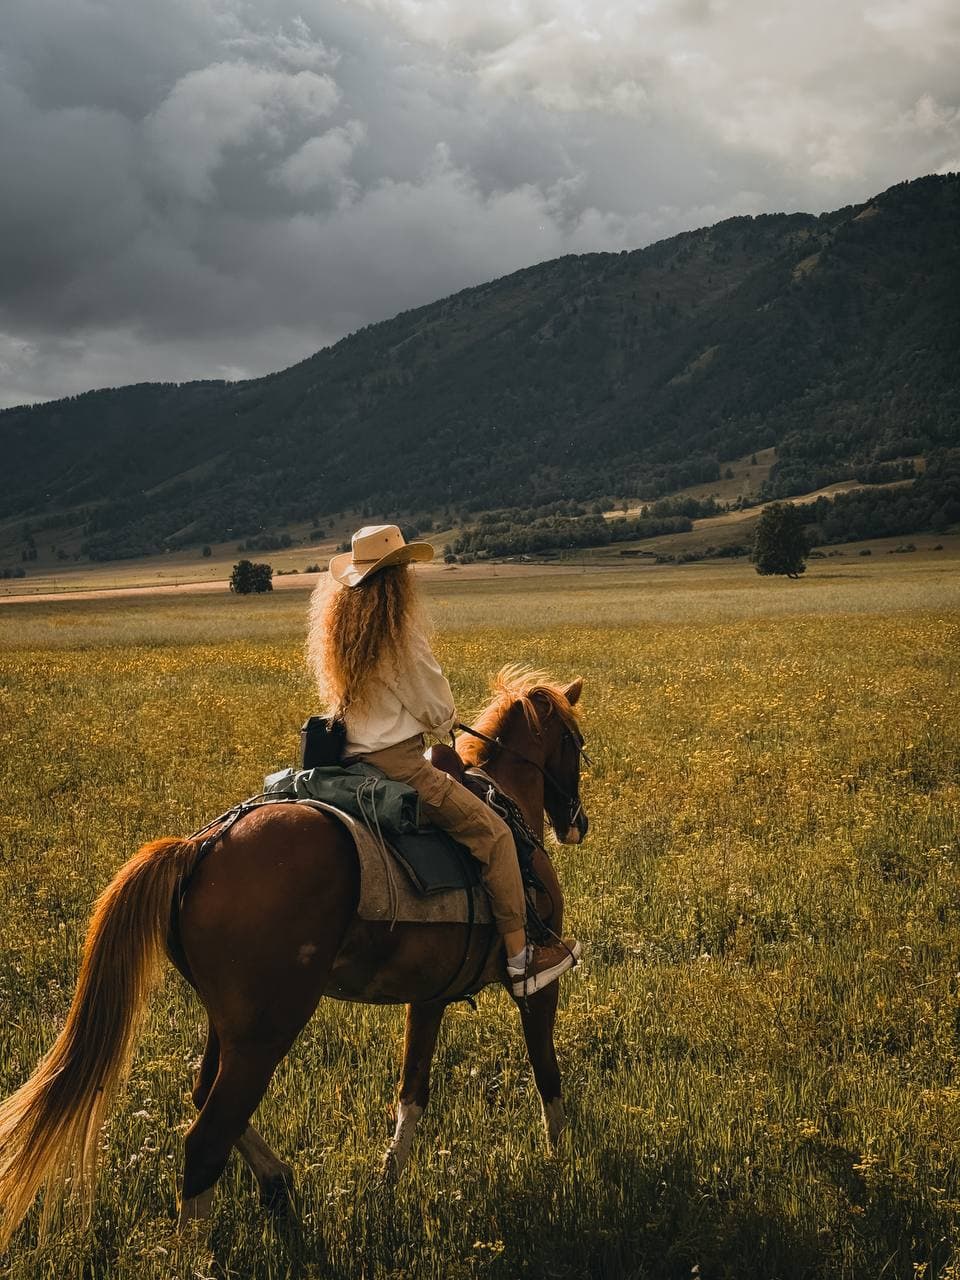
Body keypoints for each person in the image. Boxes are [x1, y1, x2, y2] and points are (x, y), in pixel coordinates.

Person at [306, 523, 580, 997]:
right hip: (399, 765)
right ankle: (521, 960)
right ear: (396, 578)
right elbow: (438, 709)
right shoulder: (398, 635)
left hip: (349, 762)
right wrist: (445, 718)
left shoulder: (344, 632)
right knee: (496, 837)